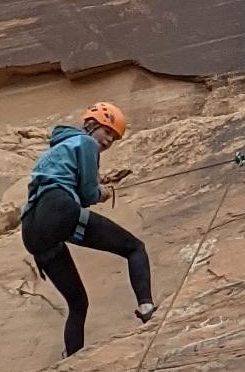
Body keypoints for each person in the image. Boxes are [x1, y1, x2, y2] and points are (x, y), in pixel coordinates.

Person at [20, 101, 156, 356]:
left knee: (78, 302)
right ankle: (147, 307)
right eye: (107, 132)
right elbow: (86, 192)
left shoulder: (56, 149)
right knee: (134, 247)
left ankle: (72, 359)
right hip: (59, 209)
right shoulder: (85, 143)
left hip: (32, 230)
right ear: (92, 125)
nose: (107, 141)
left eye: (113, 139)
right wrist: (100, 193)